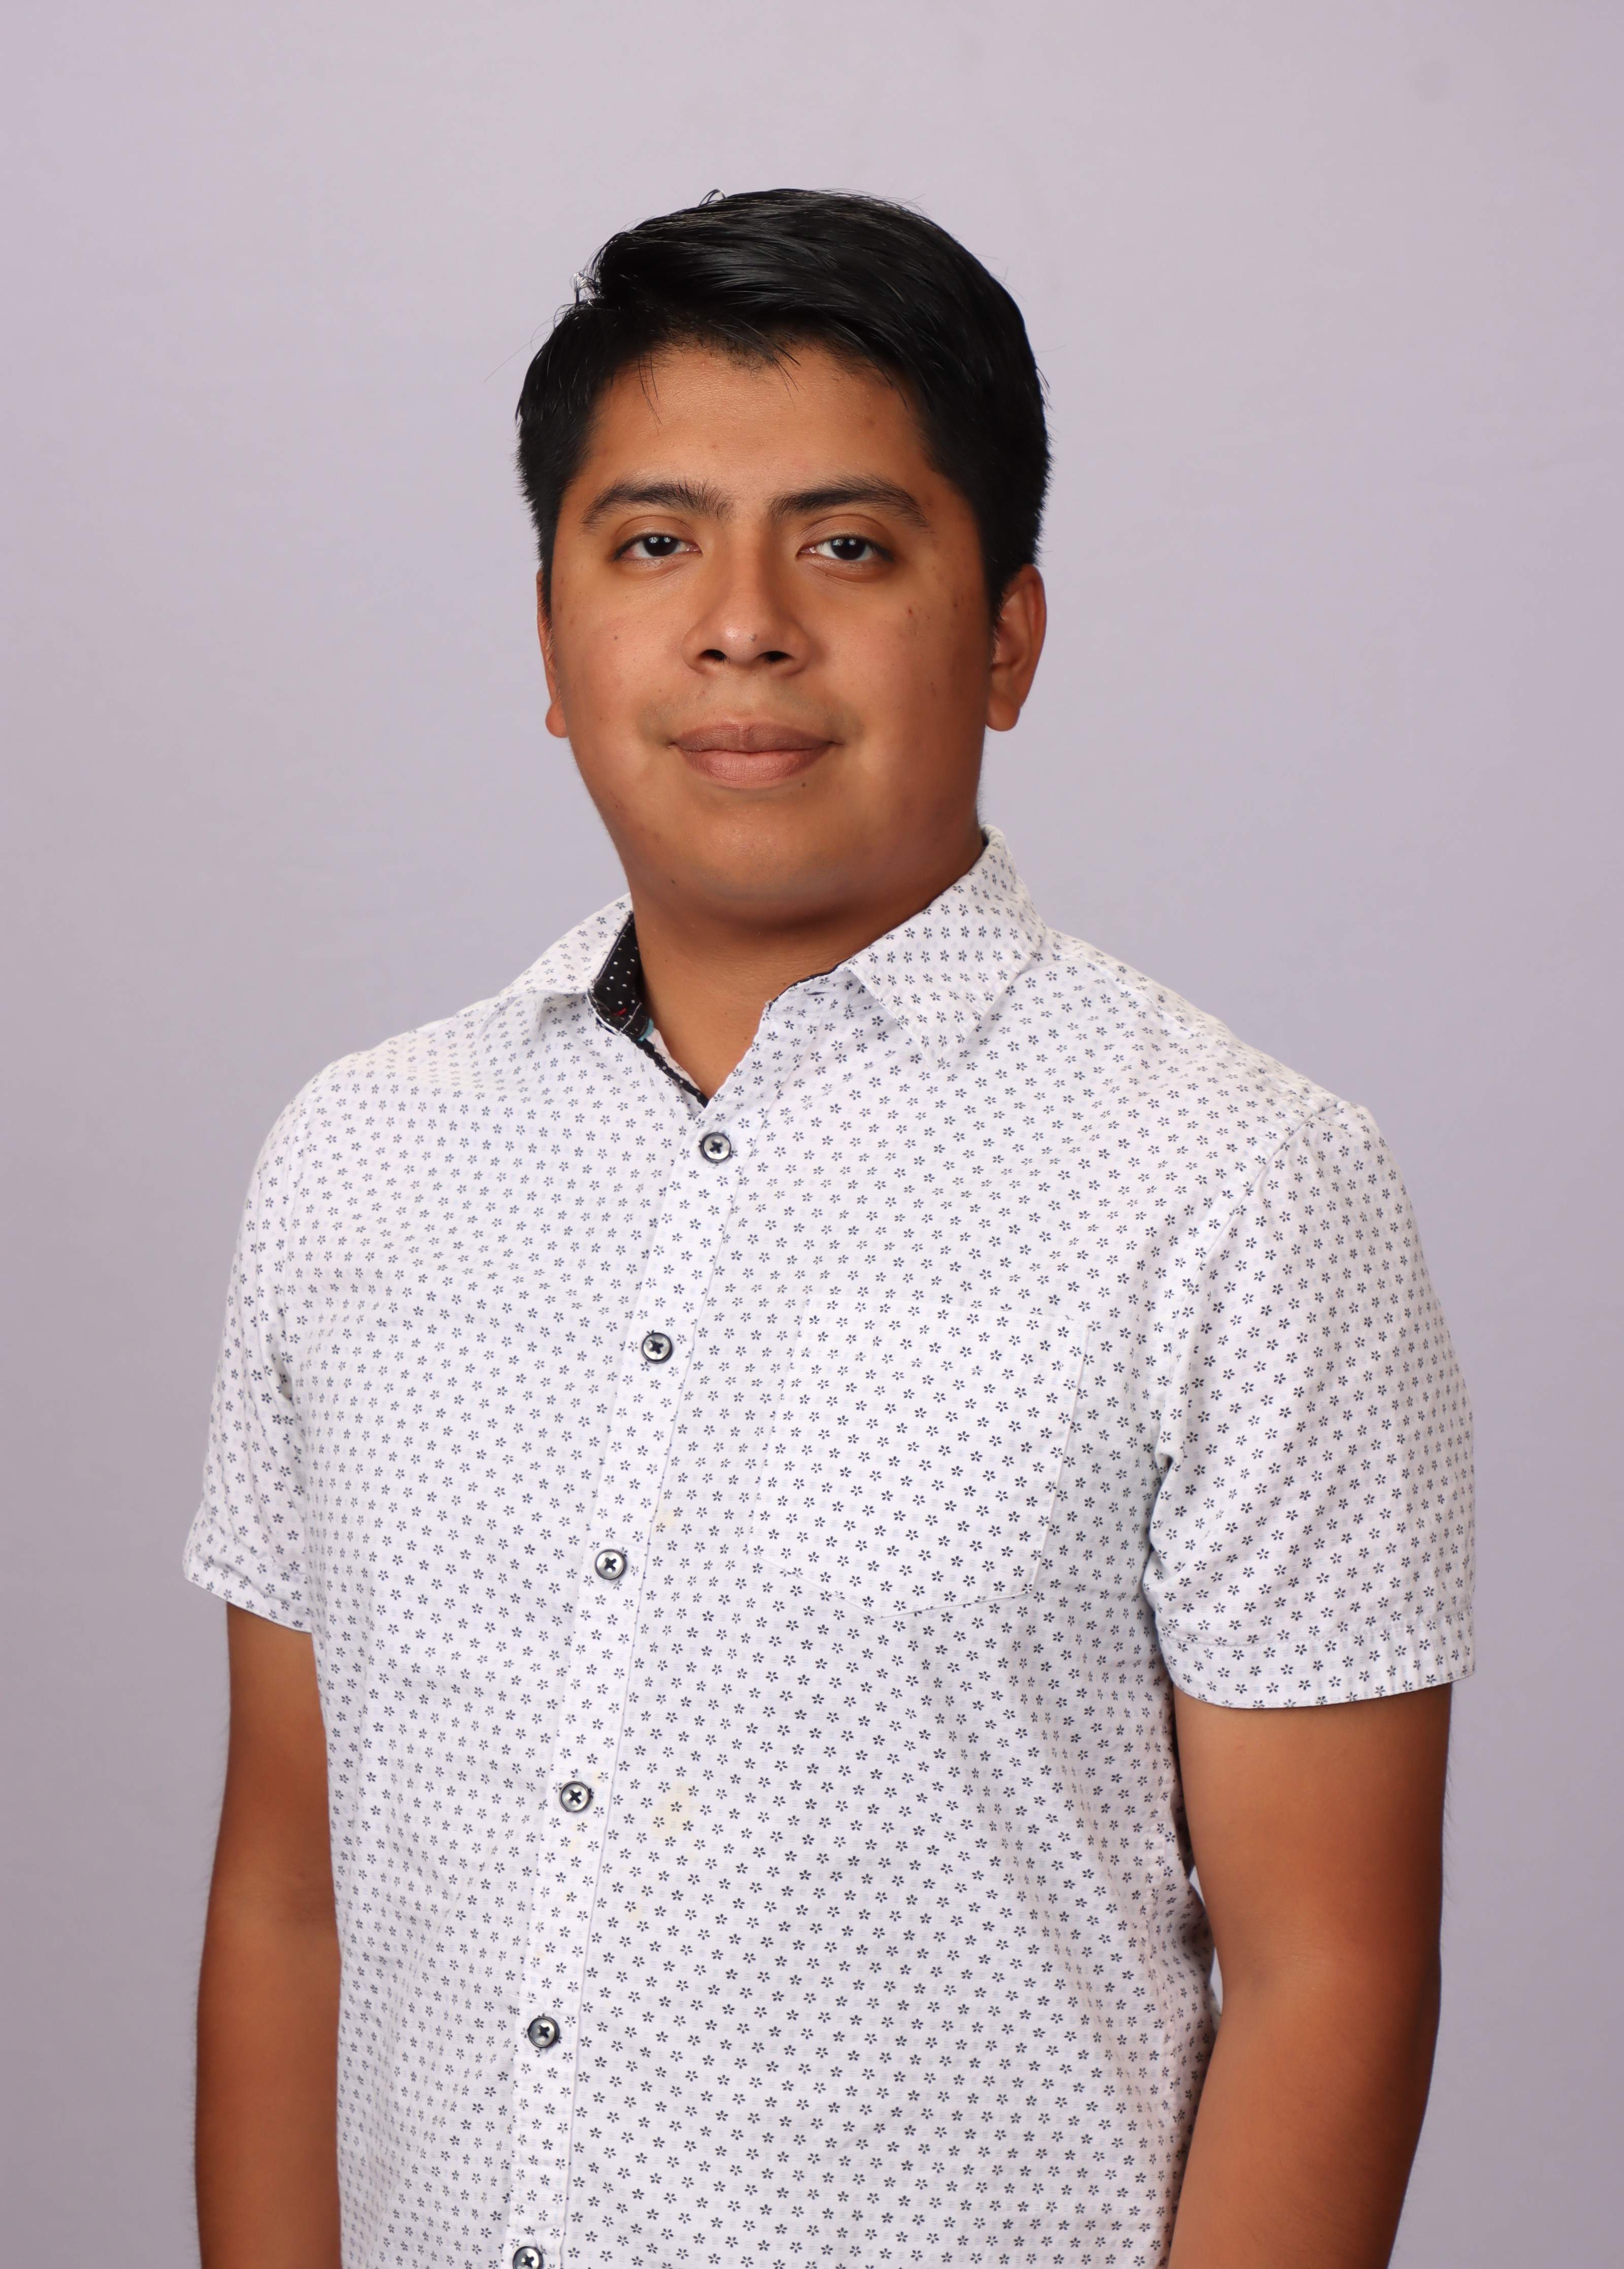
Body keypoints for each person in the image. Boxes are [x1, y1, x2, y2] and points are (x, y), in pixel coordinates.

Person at [187, 189, 1473, 2269]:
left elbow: (1332, 1971)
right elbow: (288, 1892)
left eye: (849, 546)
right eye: (653, 543)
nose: (743, 625)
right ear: (549, 639)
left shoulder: (1236, 1186)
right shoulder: (356, 1161)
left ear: (1007, 638)